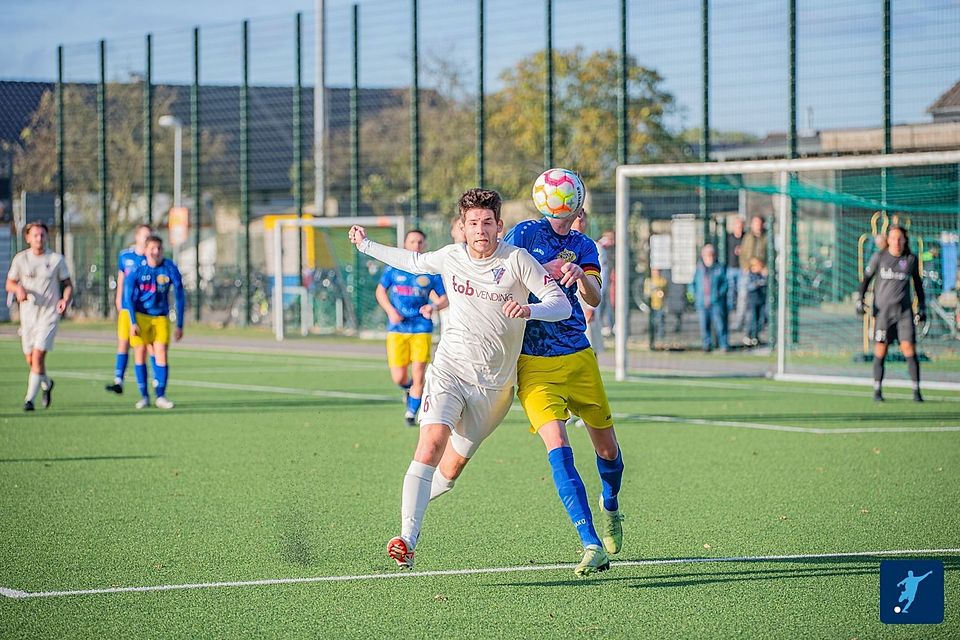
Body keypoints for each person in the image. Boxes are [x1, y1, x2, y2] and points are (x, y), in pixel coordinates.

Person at [348, 188, 571, 571]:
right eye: (473, 224)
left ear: (499, 226)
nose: (480, 230)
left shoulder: (517, 260)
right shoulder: (450, 257)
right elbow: (413, 261)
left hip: (494, 389)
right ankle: (407, 537)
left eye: (487, 223)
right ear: (462, 228)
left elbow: (562, 305)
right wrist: (367, 245)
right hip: (450, 369)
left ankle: (413, 505)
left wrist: (529, 308)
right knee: (431, 442)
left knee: (449, 473)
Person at [503, 206, 625, 576]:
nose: (567, 214)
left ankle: (611, 505)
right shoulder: (525, 234)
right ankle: (590, 542)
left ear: (578, 210)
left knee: (606, 449)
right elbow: (502, 276)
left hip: (578, 357)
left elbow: (594, 298)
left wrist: (578, 277)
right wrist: (544, 274)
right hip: (534, 363)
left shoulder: (585, 246)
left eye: (573, 208)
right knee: (557, 445)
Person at [375, 229, 449, 426]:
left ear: (424, 245)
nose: (416, 245)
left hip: (421, 328)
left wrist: (433, 306)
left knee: (418, 373)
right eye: (412, 241)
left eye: (420, 242)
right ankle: (409, 391)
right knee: (399, 377)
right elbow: (381, 291)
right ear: (405, 244)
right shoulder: (393, 268)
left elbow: (445, 298)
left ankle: (411, 413)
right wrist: (390, 311)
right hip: (398, 328)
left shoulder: (430, 271)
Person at [5, 223, 72, 411]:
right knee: (31, 360)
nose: (39, 238)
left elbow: (67, 284)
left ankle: (29, 400)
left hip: (49, 315)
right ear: (28, 238)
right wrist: (18, 288)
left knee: (38, 356)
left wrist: (65, 300)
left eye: (42, 235)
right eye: (35, 235)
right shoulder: (21, 259)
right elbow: (9, 283)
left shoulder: (56, 259)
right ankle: (47, 383)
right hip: (28, 317)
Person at [857, 225, 925, 402]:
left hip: (904, 314)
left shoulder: (910, 259)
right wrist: (860, 299)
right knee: (881, 349)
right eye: (893, 238)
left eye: (900, 238)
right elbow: (866, 280)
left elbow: (918, 285)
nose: (896, 241)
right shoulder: (880, 257)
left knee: (909, 348)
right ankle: (877, 390)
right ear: (888, 240)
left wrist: (922, 307)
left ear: (905, 240)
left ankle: (916, 391)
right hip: (883, 314)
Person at [123, 235, 185, 409]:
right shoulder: (138, 268)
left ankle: (161, 396)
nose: (156, 252)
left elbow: (180, 296)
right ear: (146, 249)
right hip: (141, 316)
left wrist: (180, 324)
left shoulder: (169, 268)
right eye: (152, 248)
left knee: (161, 354)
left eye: (159, 248)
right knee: (140, 353)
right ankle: (144, 396)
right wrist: (133, 321)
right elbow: (127, 296)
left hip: (160, 317)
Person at [106, 224, 153, 394]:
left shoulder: (150, 258)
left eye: (150, 236)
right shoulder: (125, 256)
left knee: (145, 347)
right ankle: (118, 380)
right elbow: (122, 278)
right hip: (127, 307)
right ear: (137, 237)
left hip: (144, 310)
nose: (147, 239)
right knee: (123, 342)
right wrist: (118, 298)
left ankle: (152, 384)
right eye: (144, 235)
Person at [570, 210, 604, 352]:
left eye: (582, 220)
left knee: (589, 347)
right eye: (576, 219)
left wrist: (592, 308)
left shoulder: (594, 247)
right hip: (568, 307)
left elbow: (602, 279)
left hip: (586, 305)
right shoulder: (557, 246)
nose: (579, 223)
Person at [692, 244, 728, 352]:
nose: (709, 257)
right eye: (707, 255)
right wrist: (694, 295)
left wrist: (718, 294)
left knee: (720, 325)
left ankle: (723, 345)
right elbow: (692, 284)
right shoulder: (699, 269)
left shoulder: (719, 269)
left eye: (711, 255)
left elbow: (725, 284)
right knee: (704, 326)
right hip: (702, 303)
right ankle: (706, 345)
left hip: (715, 302)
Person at [725, 217, 745, 330]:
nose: (739, 227)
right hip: (730, 269)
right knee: (730, 295)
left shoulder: (746, 237)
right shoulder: (729, 237)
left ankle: (739, 321)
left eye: (741, 225)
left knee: (741, 296)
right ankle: (728, 319)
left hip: (742, 270)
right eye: (737, 225)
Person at [744, 258, 767, 346]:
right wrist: (756, 283)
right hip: (752, 301)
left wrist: (765, 276)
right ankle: (749, 336)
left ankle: (756, 336)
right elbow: (749, 287)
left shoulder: (761, 275)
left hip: (761, 300)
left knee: (761, 319)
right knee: (752, 319)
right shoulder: (750, 275)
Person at [644, 268, 667, 343]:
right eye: (654, 270)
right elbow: (646, 293)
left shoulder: (663, 280)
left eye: (658, 270)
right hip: (652, 305)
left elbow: (666, 292)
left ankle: (661, 338)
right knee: (653, 321)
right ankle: (652, 337)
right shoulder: (649, 281)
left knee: (661, 321)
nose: (656, 272)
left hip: (661, 305)